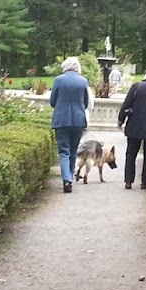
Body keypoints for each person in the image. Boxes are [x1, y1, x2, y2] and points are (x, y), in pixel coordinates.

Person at [48, 56, 92, 194]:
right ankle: (70, 178)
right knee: (73, 151)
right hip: (78, 120)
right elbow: (86, 102)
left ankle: (66, 179)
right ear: (77, 67)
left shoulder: (58, 80)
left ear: (65, 66)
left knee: (63, 151)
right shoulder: (83, 81)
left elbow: (52, 101)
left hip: (61, 120)